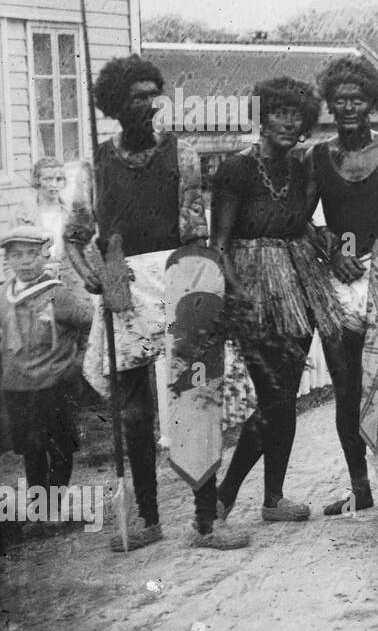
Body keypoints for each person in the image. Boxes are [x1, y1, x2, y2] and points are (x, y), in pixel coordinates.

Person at [65, 55, 248, 550]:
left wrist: (205, 284)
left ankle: (206, 522)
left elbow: (195, 227)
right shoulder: (92, 168)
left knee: (197, 399)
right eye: (134, 97)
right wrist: (94, 280)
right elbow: (75, 237)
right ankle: (147, 519)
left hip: (180, 279)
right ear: (114, 105)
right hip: (124, 289)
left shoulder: (183, 154)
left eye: (152, 95)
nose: (146, 105)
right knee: (134, 415)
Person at [210, 78, 345, 523]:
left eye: (298, 117)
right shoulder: (236, 169)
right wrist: (238, 297)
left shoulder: (302, 168)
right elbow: (220, 243)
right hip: (255, 288)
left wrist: (323, 240)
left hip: (299, 284)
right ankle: (225, 495)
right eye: (280, 113)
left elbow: (298, 221)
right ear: (262, 117)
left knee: (283, 395)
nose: (289, 123)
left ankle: (273, 498)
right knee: (275, 398)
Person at [305, 54, 378, 516]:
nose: (349, 107)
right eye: (340, 100)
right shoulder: (318, 157)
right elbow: (303, 219)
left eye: (357, 99)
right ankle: (360, 489)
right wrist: (331, 251)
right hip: (339, 282)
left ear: (373, 103)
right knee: (348, 390)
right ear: (330, 106)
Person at [0, 225, 93, 530]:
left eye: (31, 254)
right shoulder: (3, 295)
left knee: (60, 447)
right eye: (16, 255)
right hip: (17, 385)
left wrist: (76, 362)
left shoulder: (58, 294)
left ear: (44, 255)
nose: (25, 262)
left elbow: (88, 323)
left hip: (54, 385)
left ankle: (51, 510)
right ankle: (40, 512)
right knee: (32, 449)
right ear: (8, 260)